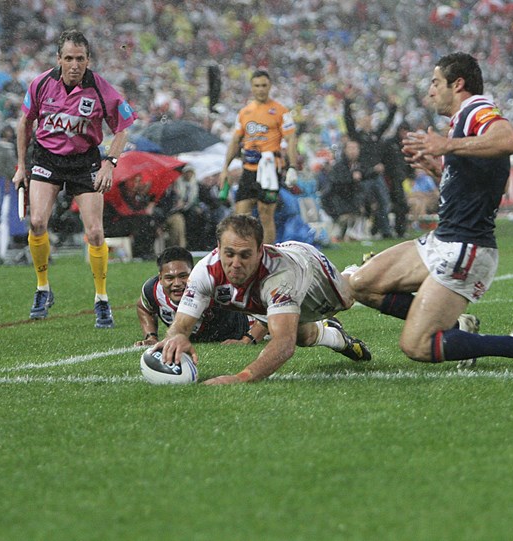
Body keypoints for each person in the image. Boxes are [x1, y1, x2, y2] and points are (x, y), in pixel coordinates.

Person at [348, 52, 513, 368]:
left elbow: (509, 139)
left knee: (417, 345)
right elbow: (494, 187)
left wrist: (447, 147)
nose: (431, 91)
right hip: (443, 239)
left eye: (436, 83)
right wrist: (439, 169)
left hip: (467, 246)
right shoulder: (460, 124)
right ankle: (457, 329)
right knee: (361, 283)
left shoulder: (476, 109)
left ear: (458, 83)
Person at [11, 29, 137, 327]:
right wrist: (20, 166)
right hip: (47, 158)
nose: (74, 65)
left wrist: (110, 162)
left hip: (85, 161)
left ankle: (102, 299)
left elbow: (122, 128)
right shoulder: (41, 84)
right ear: (59, 59)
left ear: (88, 60)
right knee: (38, 222)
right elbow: (24, 125)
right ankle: (43, 288)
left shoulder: (102, 89)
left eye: (80, 59)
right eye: (68, 58)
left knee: (95, 233)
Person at [153, 214, 372, 385]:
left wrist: (242, 378)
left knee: (350, 296)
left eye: (245, 255)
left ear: (260, 251)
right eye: (229, 254)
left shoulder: (280, 276)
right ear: (218, 249)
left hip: (307, 266)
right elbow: (180, 325)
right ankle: (337, 337)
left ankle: (361, 270)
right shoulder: (205, 272)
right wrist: (177, 337)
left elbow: (283, 345)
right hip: (264, 294)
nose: (235, 263)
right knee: (303, 337)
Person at [218, 70, 298, 245]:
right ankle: (244, 252)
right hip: (249, 169)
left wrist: (292, 166)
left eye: (264, 85)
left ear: (269, 86)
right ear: (251, 88)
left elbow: (291, 138)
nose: (261, 89)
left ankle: (268, 256)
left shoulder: (280, 111)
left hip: (270, 169)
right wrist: (225, 168)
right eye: (257, 86)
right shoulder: (245, 112)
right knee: (240, 216)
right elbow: (235, 141)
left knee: (265, 214)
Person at [134, 246, 267, 347]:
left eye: (183, 276)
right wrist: (151, 336)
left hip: (242, 326)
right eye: (169, 278)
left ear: (194, 273)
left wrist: (248, 339)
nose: (177, 284)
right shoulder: (151, 290)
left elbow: (265, 308)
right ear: (160, 279)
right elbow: (143, 307)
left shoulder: (213, 285)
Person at [343, 93, 397, 238]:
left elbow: (387, 124)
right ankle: (362, 231)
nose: (368, 122)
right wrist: (347, 102)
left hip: (377, 176)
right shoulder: (357, 136)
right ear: (360, 122)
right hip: (364, 176)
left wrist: (393, 107)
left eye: (369, 119)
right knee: (363, 205)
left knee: (384, 203)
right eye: (365, 120)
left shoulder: (375, 135)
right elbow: (348, 121)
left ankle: (385, 231)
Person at [320, 139, 367, 240]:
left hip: (351, 203)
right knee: (347, 218)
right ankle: (341, 233)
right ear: (345, 150)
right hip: (336, 203)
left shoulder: (360, 166)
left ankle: (350, 233)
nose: (353, 151)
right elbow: (336, 188)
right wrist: (352, 178)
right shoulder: (339, 167)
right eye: (350, 148)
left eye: (355, 148)